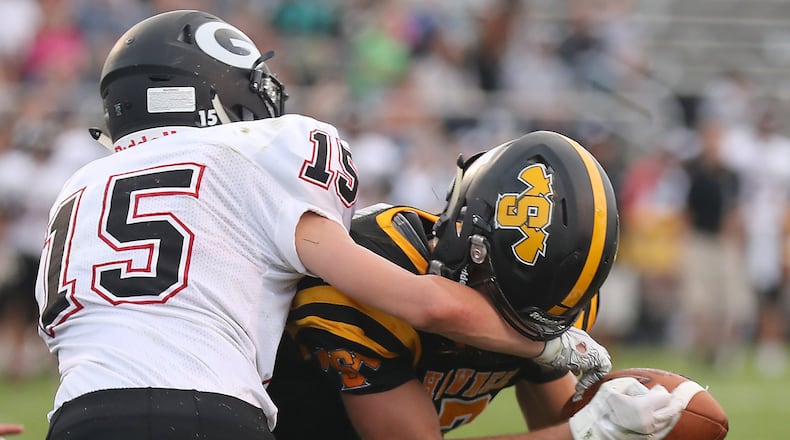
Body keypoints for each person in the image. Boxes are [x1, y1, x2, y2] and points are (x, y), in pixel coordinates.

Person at [34, 10, 611, 440]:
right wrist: (551, 346)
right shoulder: (254, 154)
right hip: (210, 411)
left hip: (79, 416)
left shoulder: (77, 190)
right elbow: (426, 304)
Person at [269, 131, 683, 440]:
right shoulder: (370, 274)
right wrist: (586, 431)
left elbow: (555, 418)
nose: (519, 328)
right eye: (504, 310)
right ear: (468, 244)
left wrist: (628, 421)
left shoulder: (550, 302)